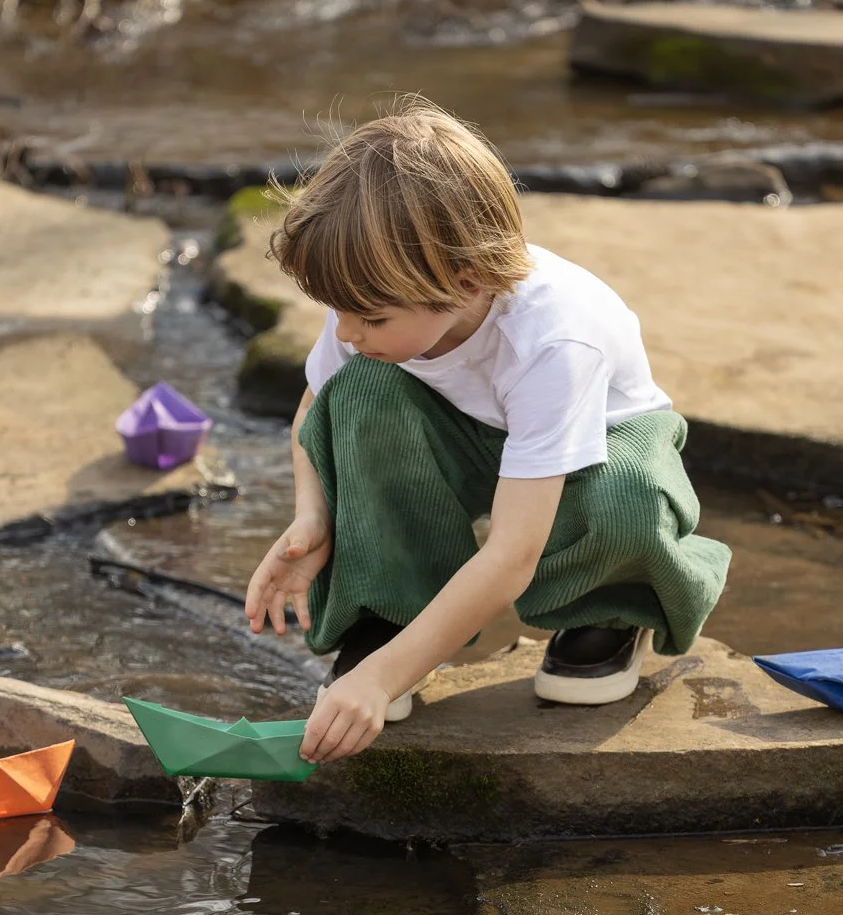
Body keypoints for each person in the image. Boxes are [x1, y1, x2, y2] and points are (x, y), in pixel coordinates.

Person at [243, 97, 730, 764]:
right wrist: (313, 518)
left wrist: (380, 684)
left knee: (625, 493)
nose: (348, 332)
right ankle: (390, 616)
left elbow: (512, 553)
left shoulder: (554, 339)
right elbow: (313, 410)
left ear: (465, 281)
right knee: (360, 394)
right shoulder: (369, 297)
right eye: (338, 311)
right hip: (466, 432)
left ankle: (609, 609)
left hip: (596, 452)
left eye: (371, 319)